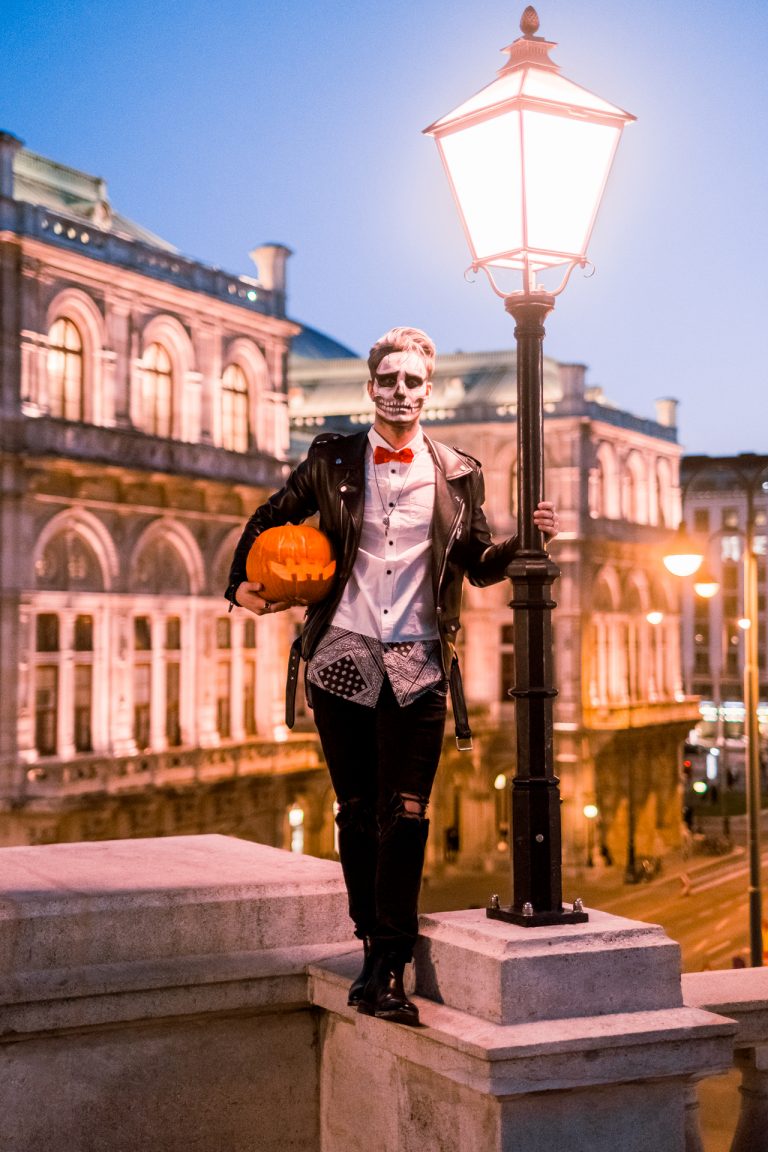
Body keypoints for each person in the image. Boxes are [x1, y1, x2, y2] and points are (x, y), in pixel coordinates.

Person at [225, 326, 558, 1026]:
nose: (399, 391)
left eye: (412, 381)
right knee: (355, 813)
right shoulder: (331, 458)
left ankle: (389, 964)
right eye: (388, 380)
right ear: (370, 386)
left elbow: (475, 561)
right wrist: (241, 587)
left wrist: (527, 541)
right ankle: (371, 947)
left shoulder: (460, 471)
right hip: (341, 658)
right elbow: (268, 519)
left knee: (406, 814)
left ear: (427, 390)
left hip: (420, 663)